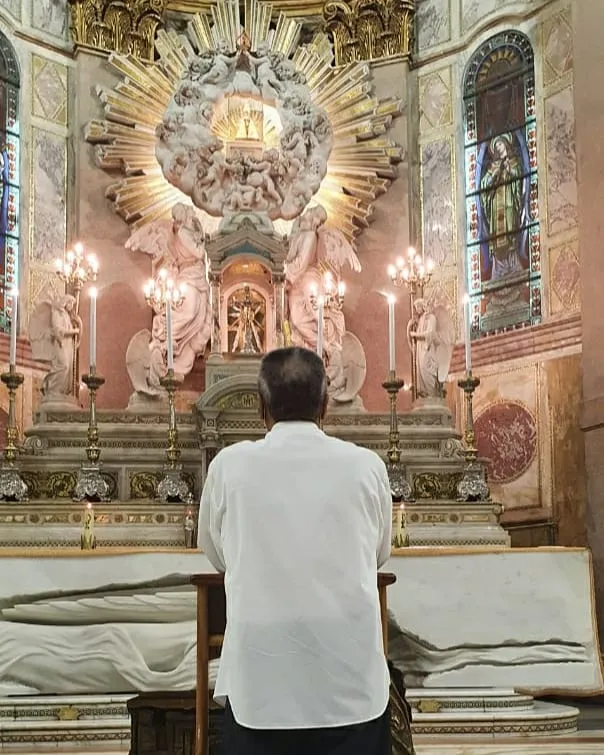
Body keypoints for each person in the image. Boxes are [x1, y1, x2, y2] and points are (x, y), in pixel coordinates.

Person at [198, 346, 393, 755]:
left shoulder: (229, 466)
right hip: (351, 684)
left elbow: (216, 553)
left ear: (260, 407)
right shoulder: (367, 467)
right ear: (325, 403)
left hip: (261, 687)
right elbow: (377, 554)